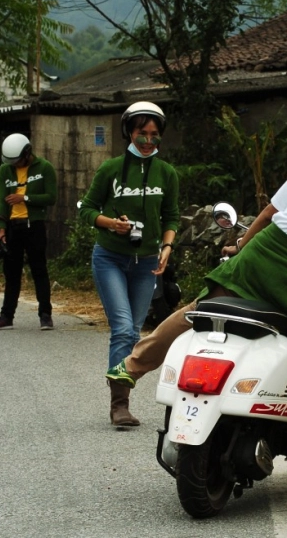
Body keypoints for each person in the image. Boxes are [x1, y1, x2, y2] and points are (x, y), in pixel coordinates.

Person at [106, 102, 287, 499]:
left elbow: (267, 213)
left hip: (258, 257)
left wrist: (242, 246)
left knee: (201, 309)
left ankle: (130, 366)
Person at [78, 101, 180, 428]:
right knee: (122, 328)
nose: (148, 141)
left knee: (134, 332)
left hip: (147, 262)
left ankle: (121, 394)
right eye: (142, 134)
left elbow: (172, 216)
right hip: (110, 258)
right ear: (129, 133)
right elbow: (87, 210)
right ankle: (119, 405)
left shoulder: (167, 173)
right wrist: (111, 224)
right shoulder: (110, 169)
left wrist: (166, 246)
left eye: (154, 135)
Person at [0, 133, 57, 331]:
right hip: (13, 227)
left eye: (18, 161)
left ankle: (45, 314)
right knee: (11, 273)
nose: (15, 165)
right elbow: (2, 202)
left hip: (34, 225)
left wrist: (24, 198)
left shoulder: (44, 168)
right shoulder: (4, 171)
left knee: (39, 269)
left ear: (27, 153)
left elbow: (51, 197)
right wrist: (1, 230)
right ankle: (6, 316)